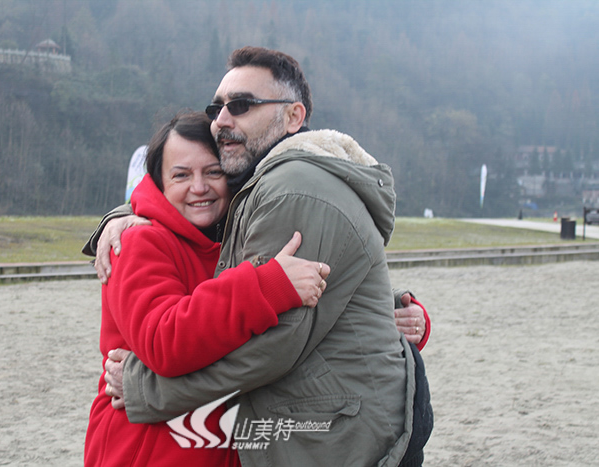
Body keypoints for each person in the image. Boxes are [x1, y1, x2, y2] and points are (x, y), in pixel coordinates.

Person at [90, 47, 432, 466]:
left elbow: (272, 343)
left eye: (242, 105)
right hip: (164, 445)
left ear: (293, 116)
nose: (222, 119)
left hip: (328, 437)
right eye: (217, 107)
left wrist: (144, 388)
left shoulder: (291, 188)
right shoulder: (165, 232)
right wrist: (124, 214)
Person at [84, 111, 331, 466]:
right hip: (147, 449)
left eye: (213, 172)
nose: (198, 187)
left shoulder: (239, 241)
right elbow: (164, 341)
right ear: (159, 182)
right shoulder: (137, 240)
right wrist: (268, 285)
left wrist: (396, 309)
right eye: (181, 175)